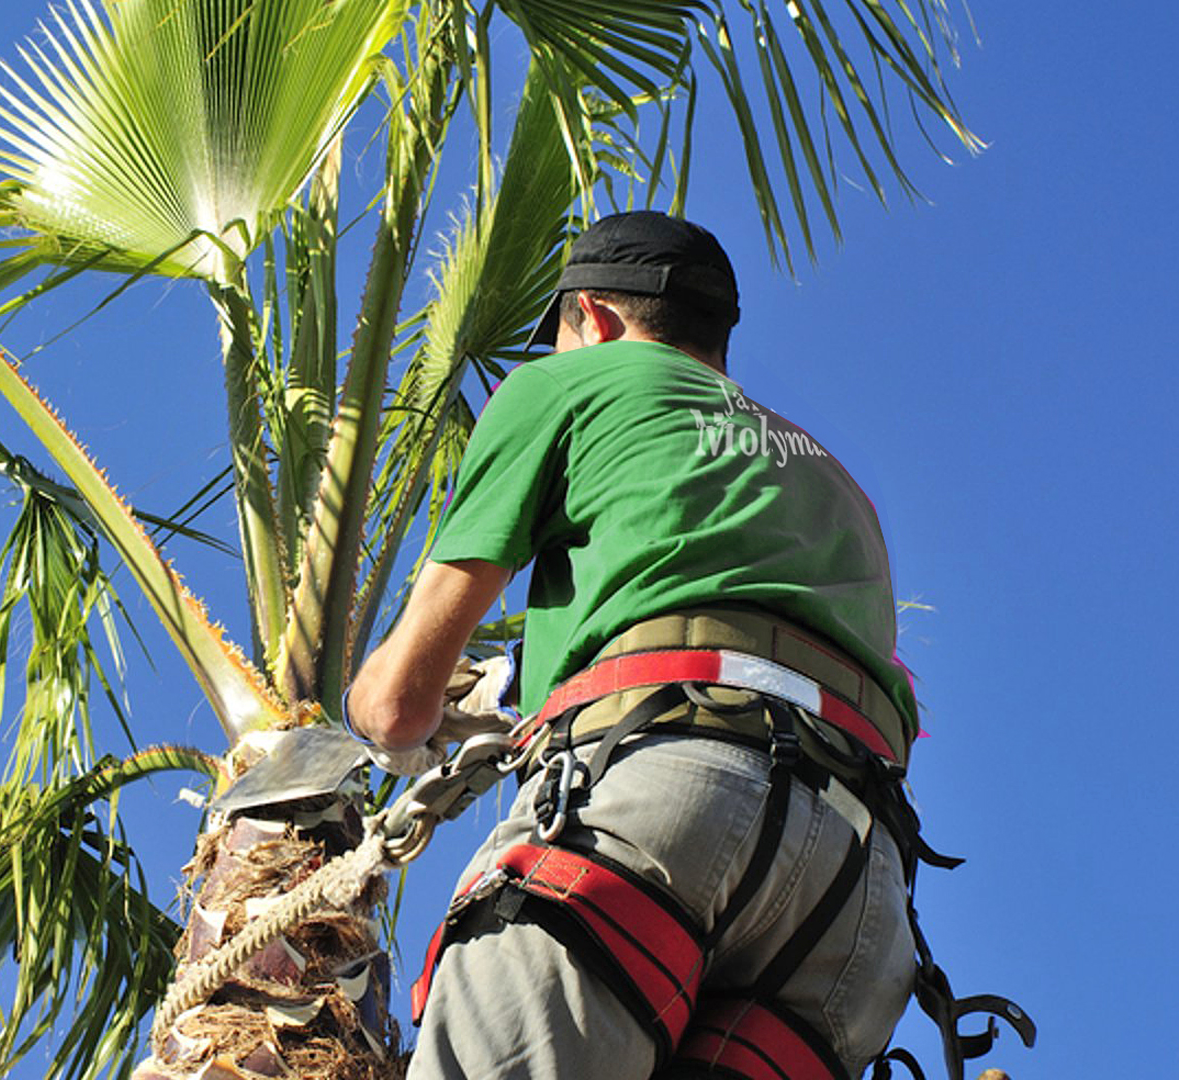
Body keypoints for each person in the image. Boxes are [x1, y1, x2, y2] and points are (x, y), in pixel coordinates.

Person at [347, 211, 924, 1080]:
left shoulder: (576, 386)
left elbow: (397, 708)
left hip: (665, 802)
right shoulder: (836, 483)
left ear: (599, 321)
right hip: (855, 901)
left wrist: (379, 714)